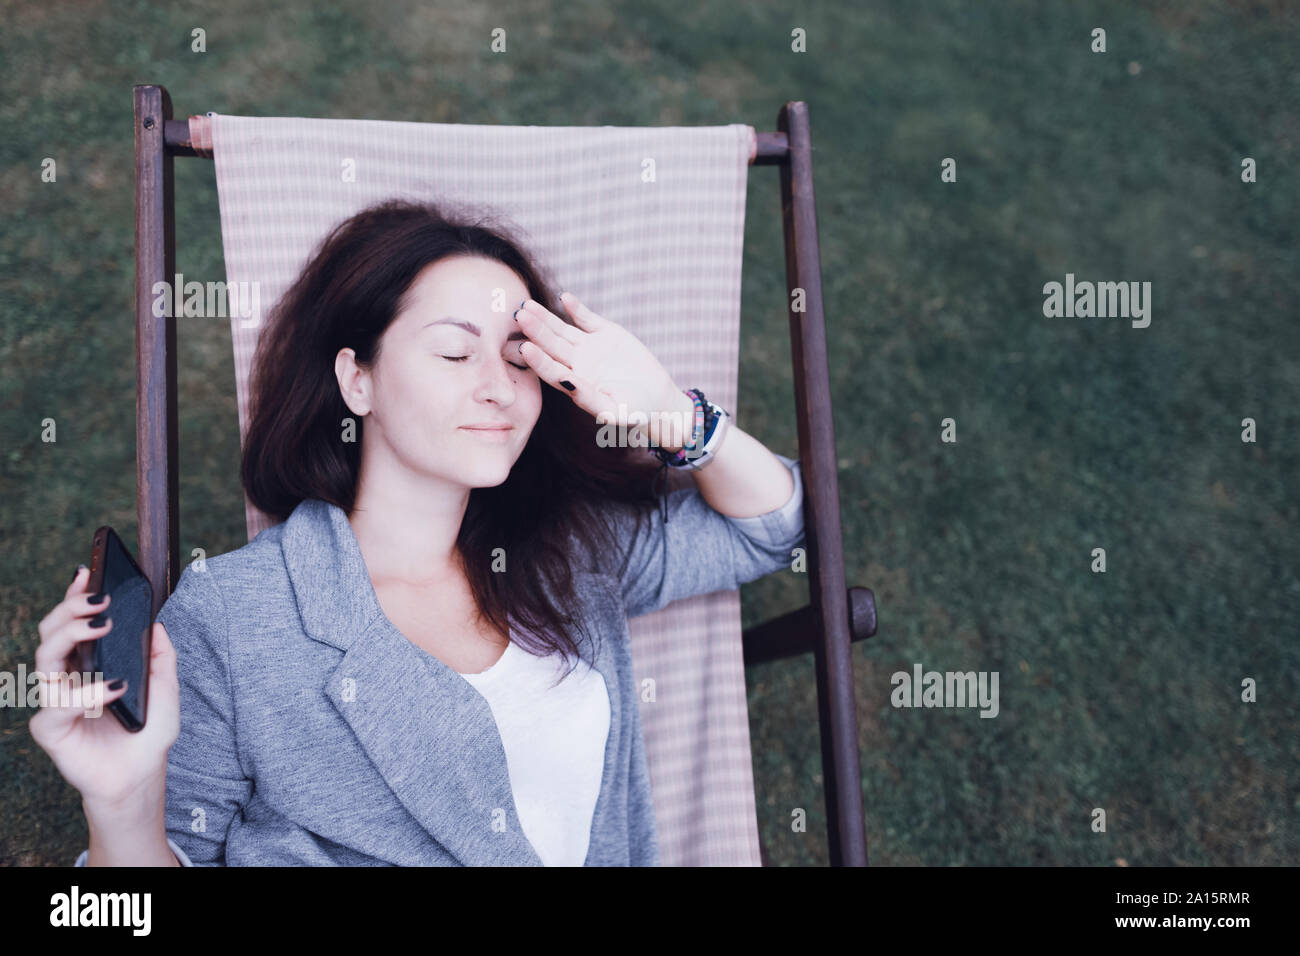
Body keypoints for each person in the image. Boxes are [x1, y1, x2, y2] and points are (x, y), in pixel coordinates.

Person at [30, 198, 806, 866]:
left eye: (518, 359)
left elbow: (769, 530)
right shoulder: (234, 617)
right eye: (453, 351)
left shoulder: (567, 555)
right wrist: (123, 798)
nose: (499, 387)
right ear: (356, 380)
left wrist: (674, 414)